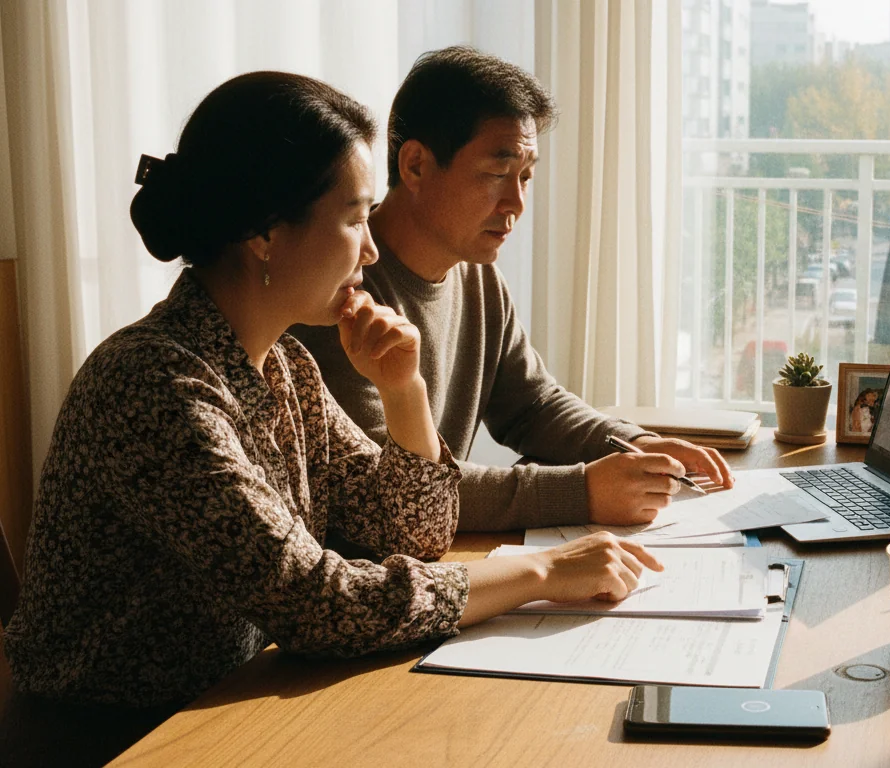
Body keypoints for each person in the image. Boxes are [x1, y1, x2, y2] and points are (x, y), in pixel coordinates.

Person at [3, 72, 661, 709]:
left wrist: (406, 392)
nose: (371, 252)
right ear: (264, 232)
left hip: (229, 703)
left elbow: (411, 533)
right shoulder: (153, 386)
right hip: (107, 737)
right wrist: (542, 575)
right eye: (353, 220)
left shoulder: (287, 366)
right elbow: (320, 605)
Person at [290, 47, 731, 533]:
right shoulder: (334, 294)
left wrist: (633, 443)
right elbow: (393, 492)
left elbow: (533, 405)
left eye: (525, 176)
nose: (516, 202)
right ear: (414, 165)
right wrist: (581, 491)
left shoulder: (476, 275)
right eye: (497, 174)